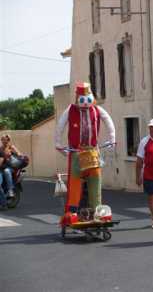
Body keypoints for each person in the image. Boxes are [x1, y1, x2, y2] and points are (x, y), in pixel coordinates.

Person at [55, 82, 116, 225]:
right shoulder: (70, 110)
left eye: (87, 97)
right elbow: (60, 126)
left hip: (93, 151)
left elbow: (108, 121)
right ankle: (72, 212)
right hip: (76, 152)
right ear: (77, 97)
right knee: (75, 183)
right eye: (82, 97)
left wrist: (112, 138)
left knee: (95, 182)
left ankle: (97, 211)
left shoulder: (97, 109)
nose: (85, 101)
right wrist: (58, 144)